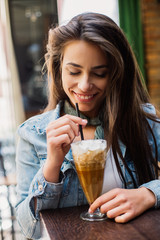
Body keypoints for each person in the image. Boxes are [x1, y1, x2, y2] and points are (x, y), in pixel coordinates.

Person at [15, 12, 160, 239]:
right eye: (74, 71)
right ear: (58, 67)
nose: (84, 85)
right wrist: (52, 165)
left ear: (115, 73)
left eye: (99, 73)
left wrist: (149, 194)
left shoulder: (142, 122)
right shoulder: (32, 134)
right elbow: (29, 229)